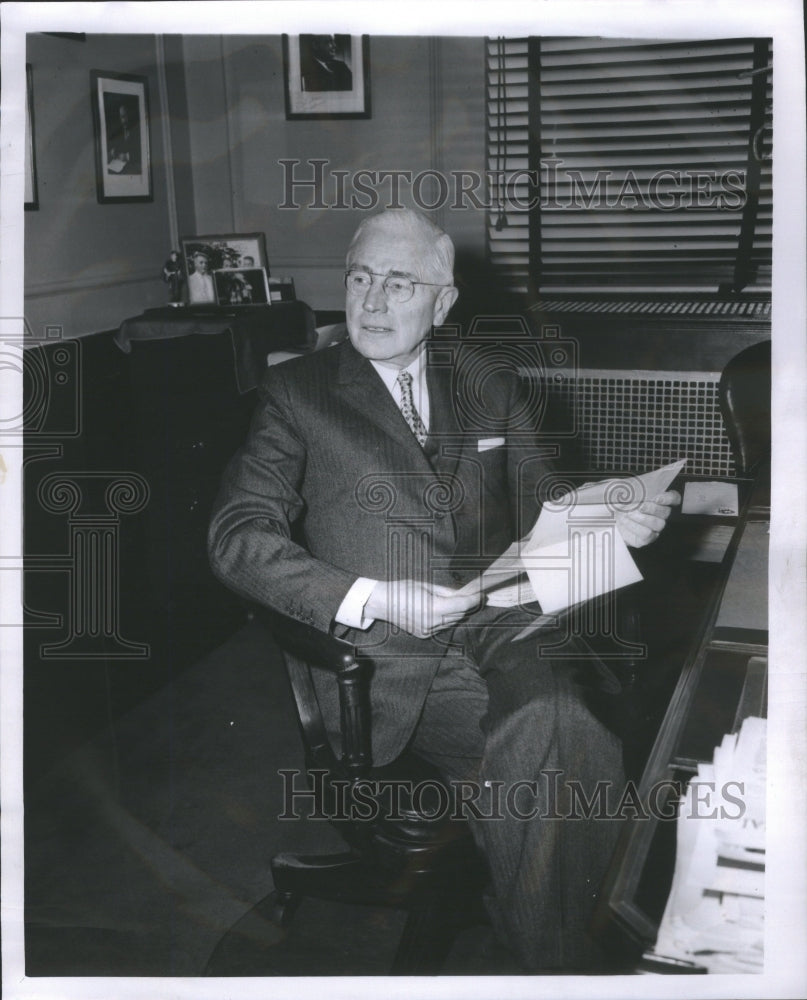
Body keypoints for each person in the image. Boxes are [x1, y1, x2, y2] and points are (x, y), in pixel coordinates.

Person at [208, 209, 679, 971]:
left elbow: (545, 502)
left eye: (399, 284)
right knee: (550, 758)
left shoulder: (485, 380)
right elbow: (237, 538)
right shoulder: (298, 394)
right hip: (384, 659)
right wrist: (371, 594)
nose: (371, 303)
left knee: (568, 724)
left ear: (444, 301)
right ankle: (568, 964)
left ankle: (551, 940)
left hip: (501, 620)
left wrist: (614, 520)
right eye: (360, 279)